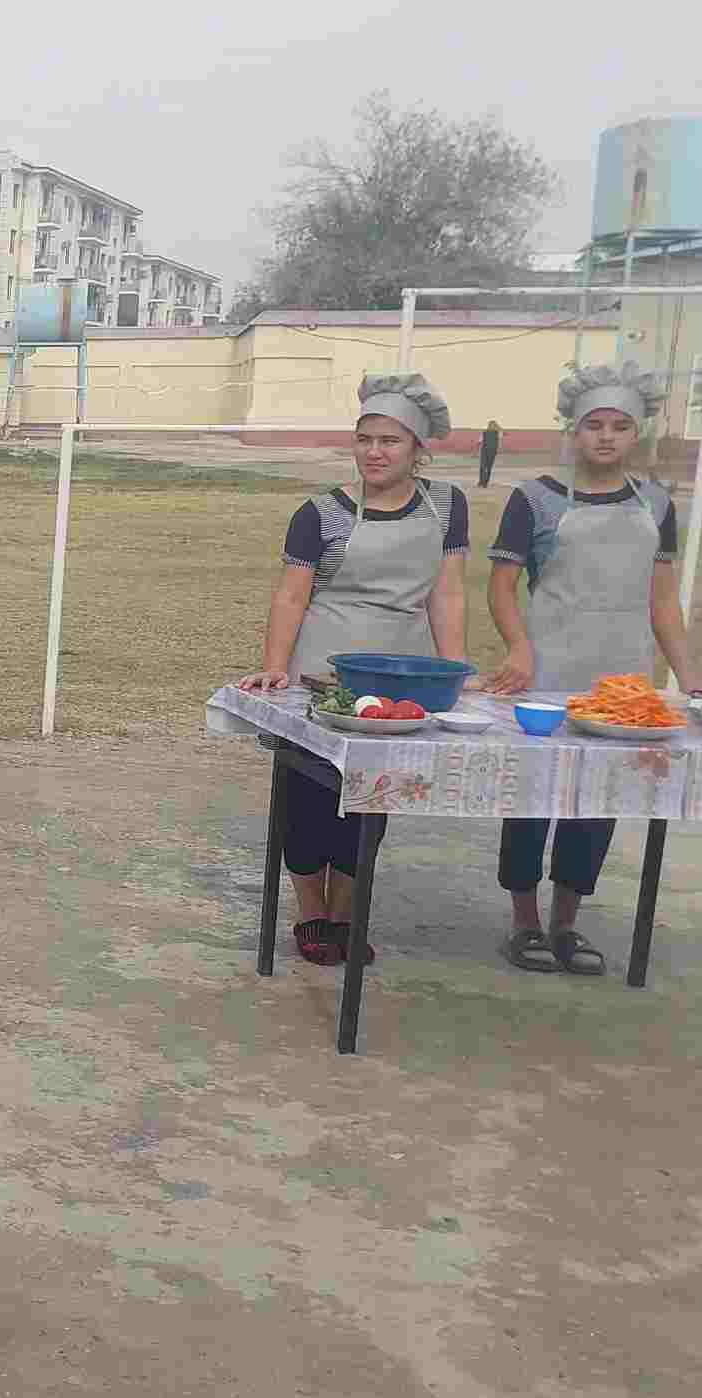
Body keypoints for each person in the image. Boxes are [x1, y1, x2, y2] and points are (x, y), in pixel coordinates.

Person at [482, 362, 702, 976]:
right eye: (594, 425)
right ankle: (524, 918)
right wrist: (519, 648)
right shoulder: (535, 499)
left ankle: (566, 922)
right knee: (533, 795)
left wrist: (687, 676)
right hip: (550, 672)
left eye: (620, 426)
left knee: (599, 799)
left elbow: (663, 599)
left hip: (624, 682)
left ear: (637, 434)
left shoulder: (657, 503)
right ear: (572, 431)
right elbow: (502, 586)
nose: (606, 437)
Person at [236, 373, 468, 966]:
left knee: (369, 805)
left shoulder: (448, 507)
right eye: (365, 439)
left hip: (401, 684)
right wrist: (275, 670)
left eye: (390, 441)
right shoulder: (320, 513)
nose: (374, 451)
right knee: (310, 803)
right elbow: (291, 597)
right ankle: (310, 913)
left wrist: (453, 671)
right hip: (324, 681)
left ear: (418, 448)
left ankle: (345, 914)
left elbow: (447, 595)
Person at [478, 418, 502, 488]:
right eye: (490, 425)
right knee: (483, 466)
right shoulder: (484, 432)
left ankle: (485, 482)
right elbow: (480, 441)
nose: (491, 426)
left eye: (493, 425)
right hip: (485, 450)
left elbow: (500, 440)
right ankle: (481, 481)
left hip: (491, 451)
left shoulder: (498, 432)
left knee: (488, 467)